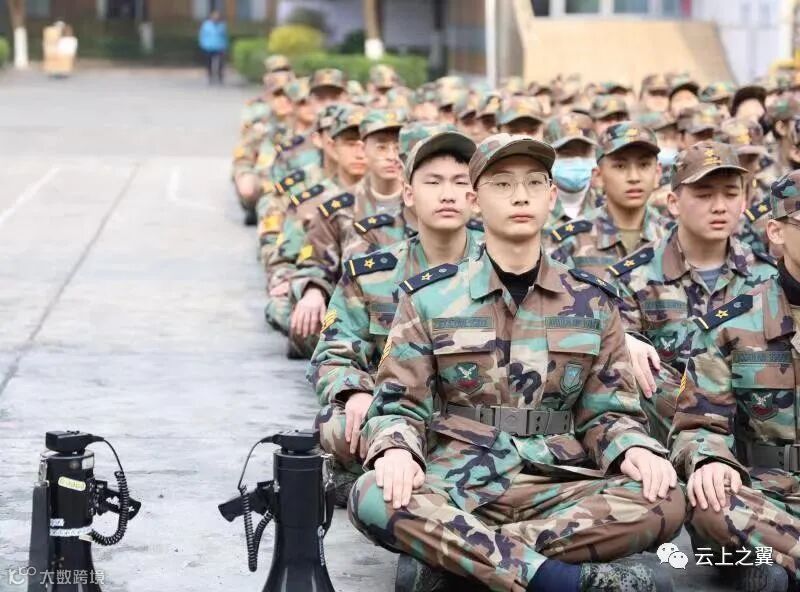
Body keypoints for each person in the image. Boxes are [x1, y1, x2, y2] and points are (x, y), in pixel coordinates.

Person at [349, 133, 685, 592]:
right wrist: (396, 450)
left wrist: (634, 449)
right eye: (502, 184)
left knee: (664, 497)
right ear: (474, 200)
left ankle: (461, 563)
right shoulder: (430, 298)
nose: (520, 196)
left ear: (552, 196)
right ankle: (559, 580)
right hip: (459, 479)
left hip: (558, 482)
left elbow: (609, 413)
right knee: (373, 494)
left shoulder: (591, 300)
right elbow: (399, 404)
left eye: (533, 183)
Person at [310, 130, 482, 504]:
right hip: (393, 410)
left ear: (475, 196)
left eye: (460, 182)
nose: (447, 194)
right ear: (408, 194)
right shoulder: (372, 274)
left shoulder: (499, 267)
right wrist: (355, 390)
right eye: (433, 182)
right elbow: (332, 354)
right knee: (338, 424)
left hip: (474, 417)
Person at [669, 171, 800, 592]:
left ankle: (777, 565)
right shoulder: (731, 325)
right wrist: (710, 460)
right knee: (709, 503)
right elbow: (697, 426)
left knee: (759, 566)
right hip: (764, 495)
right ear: (776, 232)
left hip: (771, 534)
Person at [611, 142, 778, 445]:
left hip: (759, 449)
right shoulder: (632, 279)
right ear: (673, 203)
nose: (719, 206)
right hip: (665, 445)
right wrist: (625, 341)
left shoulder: (770, 277)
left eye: (731, 194)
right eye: (704, 195)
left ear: (745, 200)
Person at [548, 122, 670, 277]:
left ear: (658, 173)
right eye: (620, 166)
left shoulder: (674, 238)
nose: (634, 177)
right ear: (598, 176)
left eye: (644, 165)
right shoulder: (570, 241)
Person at [197, 10, 228, 85]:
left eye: (217, 16)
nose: (216, 18)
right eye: (214, 16)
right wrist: (202, 44)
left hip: (219, 47)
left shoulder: (222, 25)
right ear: (211, 17)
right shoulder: (206, 25)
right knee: (209, 63)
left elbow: (225, 36)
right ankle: (210, 77)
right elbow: (202, 35)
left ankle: (220, 77)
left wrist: (225, 46)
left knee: (220, 63)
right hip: (208, 47)